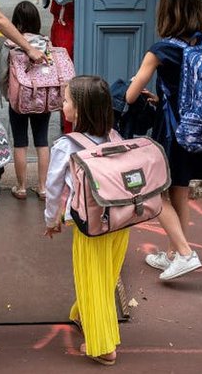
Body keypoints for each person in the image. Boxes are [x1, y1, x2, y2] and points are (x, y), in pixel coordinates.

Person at [125, 0, 202, 280]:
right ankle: (174, 254)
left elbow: (131, 95)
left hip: (170, 133)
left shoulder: (160, 49)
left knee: (155, 193)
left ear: (167, 11)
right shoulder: (201, 44)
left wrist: (137, 87)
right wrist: (163, 96)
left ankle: (185, 253)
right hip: (193, 128)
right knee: (180, 194)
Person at [44, 75, 124, 366]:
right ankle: (83, 314)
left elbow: (53, 189)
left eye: (66, 100)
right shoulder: (116, 137)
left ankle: (104, 346)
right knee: (104, 276)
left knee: (91, 279)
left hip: (90, 225)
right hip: (119, 222)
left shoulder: (67, 146)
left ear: (78, 110)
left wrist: (51, 220)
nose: (62, 104)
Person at [0, 1, 51, 201]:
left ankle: (21, 187)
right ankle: (43, 187)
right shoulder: (45, 42)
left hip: (18, 99)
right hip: (42, 100)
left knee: (20, 142)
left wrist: (9, 94)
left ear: (16, 24)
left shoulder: (9, 44)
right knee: (42, 140)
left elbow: (2, 74)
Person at [44, 0, 76, 134]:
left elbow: (72, 3)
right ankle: (66, 129)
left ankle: (69, 130)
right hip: (59, 29)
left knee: (66, 83)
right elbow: (60, 2)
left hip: (67, 30)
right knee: (61, 82)